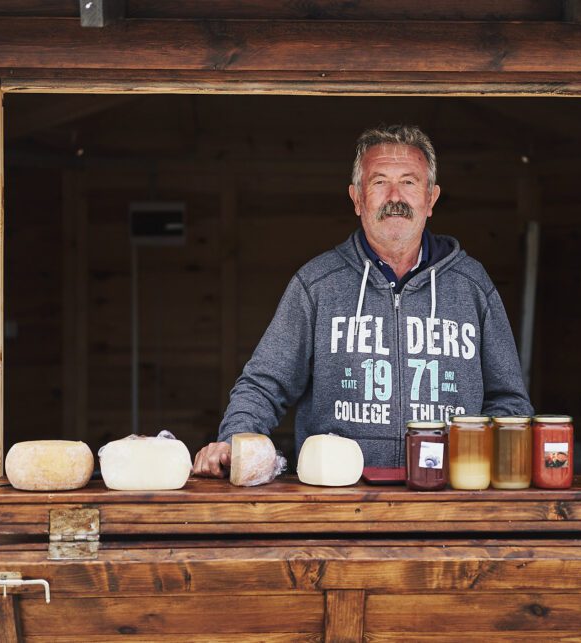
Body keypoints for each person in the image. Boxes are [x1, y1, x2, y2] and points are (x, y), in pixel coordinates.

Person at [193, 124, 533, 477]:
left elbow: (509, 402)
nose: (395, 196)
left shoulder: (472, 286)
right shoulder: (317, 284)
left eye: (409, 182)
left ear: (431, 198)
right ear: (357, 198)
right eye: (379, 181)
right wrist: (234, 440)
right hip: (339, 504)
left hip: (449, 501)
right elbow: (264, 384)